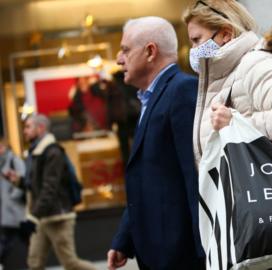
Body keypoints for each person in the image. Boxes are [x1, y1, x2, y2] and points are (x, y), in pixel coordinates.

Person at [107, 17, 203, 270]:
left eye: (125, 50)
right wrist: (124, 239)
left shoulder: (182, 91)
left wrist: (204, 253)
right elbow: (147, 178)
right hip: (160, 255)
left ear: (150, 51)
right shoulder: (150, 99)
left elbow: (195, 176)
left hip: (182, 257)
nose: (118, 60)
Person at [182, 0, 272, 165]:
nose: (193, 50)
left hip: (268, 187)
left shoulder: (255, 63)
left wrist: (235, 125)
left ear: (226, 34)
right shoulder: (226, 74)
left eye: (196, 39)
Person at [6, 114, 96, 270]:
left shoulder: (52, 151)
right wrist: (18, 181)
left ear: (40, 128)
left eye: (28, 127)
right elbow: (36, 186)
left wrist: (33, 216)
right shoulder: (35, 152)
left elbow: (50, 188)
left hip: (57, 217)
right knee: (34, 264)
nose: (25, 131)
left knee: (70, 263)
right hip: (41, 218)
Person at [0, 139, 26, 267]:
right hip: (6, 209)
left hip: (15, 208)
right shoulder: (2, 162)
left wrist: (12, 197)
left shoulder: (14, 161)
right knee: (8, 238)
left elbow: (22, 181)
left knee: (7, 239)